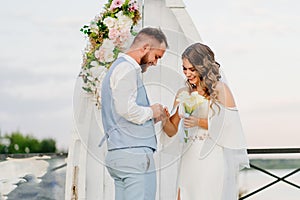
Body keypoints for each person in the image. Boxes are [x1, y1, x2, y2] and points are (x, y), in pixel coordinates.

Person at [161, 42, 249, 200]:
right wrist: (164, 118)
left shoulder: (220, 89)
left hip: (211, 157)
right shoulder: (183, 92)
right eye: (184, 68)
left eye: (192, 69)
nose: (187, 73)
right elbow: (171, 130)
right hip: (188, 156)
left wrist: (198, 122)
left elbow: (229, 126)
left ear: (203, 67)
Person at [100, 27, 169, 200]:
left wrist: (153, 117)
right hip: (134, 157)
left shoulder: (116, 69)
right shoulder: (127, 69)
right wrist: (152, 111)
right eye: (157, 57)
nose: (155, 63)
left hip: (119, 153)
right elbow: (125, 109)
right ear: (146, 48)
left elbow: (120, 115)